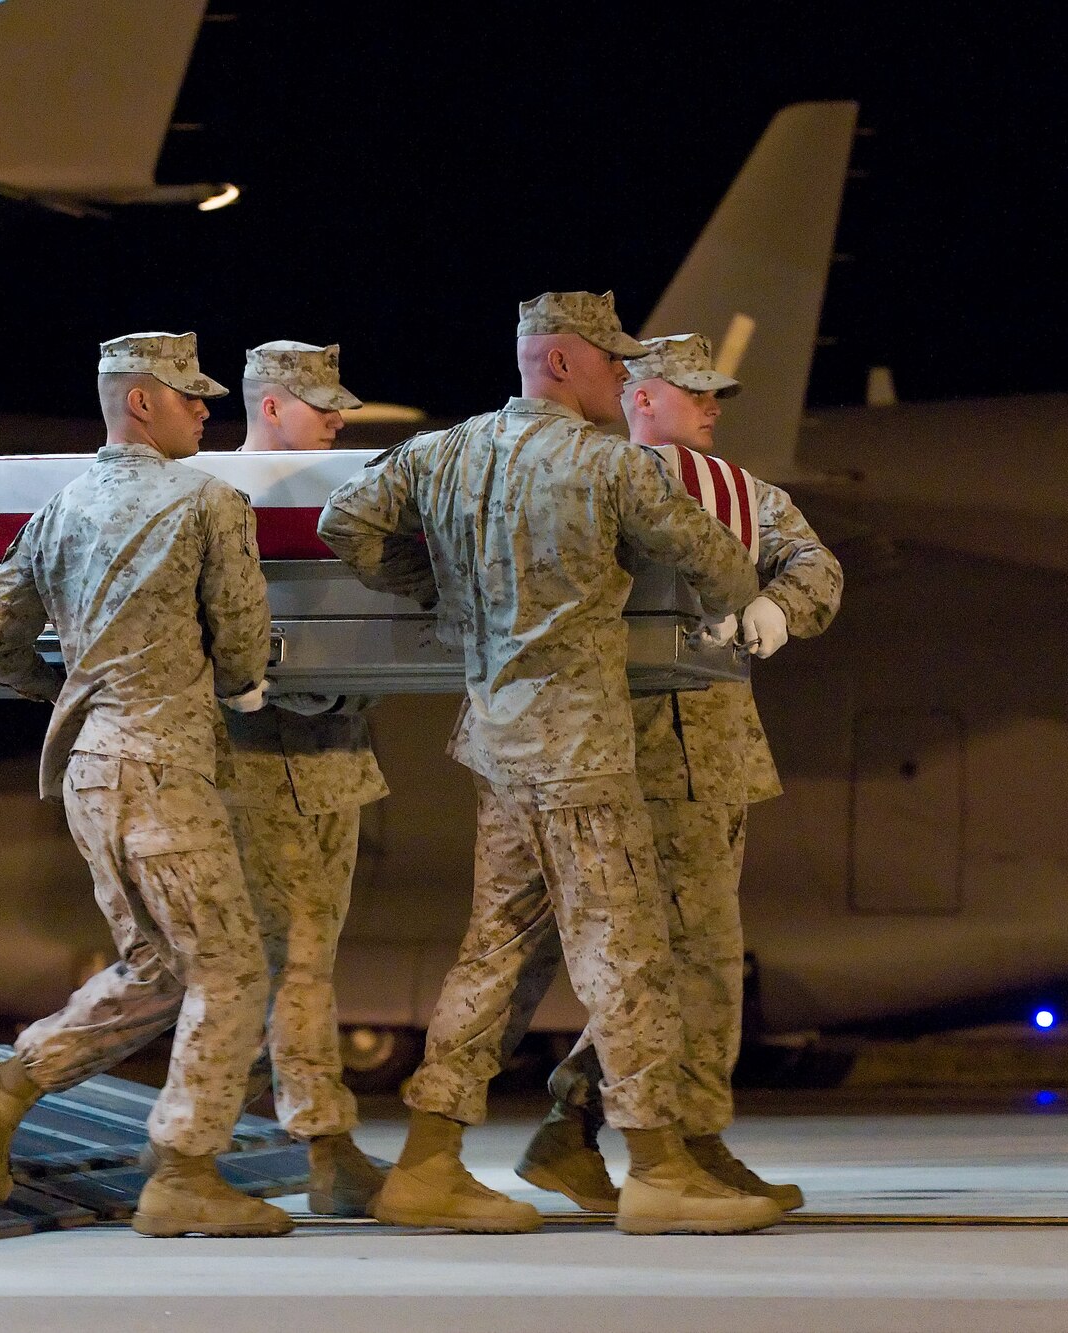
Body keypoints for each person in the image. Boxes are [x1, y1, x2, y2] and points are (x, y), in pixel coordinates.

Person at [319, 291, 777, 1235]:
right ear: (562, 361)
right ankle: (658, 1170)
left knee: (495, 955)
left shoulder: (440, 452)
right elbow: (726, 570)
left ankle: (428, 1162)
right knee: (629, 951)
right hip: (582, 744)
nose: (624, 377)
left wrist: (441, 587)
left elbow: (344, 523)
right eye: (612, 362)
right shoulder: (609, 466)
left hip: (495, 738)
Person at [0, 332, 291, 1238]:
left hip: (91, 769)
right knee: (232, 968)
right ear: (141, 401)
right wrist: (239, 677)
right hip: (162, 765)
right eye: (191, 397)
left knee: (162, 963)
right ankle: (183, 1172)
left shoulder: (61, 507)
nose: (206, 411)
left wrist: (62, 691)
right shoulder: (210, 500)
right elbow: (246, 642)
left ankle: (7, 1081)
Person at [517, 332, 842, 1214]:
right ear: (642, 398)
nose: (713, 408)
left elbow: (816, 566)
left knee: (683, 956)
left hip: (711, 755)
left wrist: (782, 605)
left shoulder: (741, 495)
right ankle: (677, 1139)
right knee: (672, 960)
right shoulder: (587, 488)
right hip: (613, 751)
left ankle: (587, 1124)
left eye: (714, 395)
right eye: (695, 392)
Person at [225, 341, 390, 1214]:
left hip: (335, 762)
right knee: (295, 965)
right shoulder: (219, 497)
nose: (337, 419)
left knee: (300, 961)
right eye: (320, 403)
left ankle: (201, 1135)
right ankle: (326, 1146)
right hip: (258, 762)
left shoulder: (343, 498)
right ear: (273, 406)